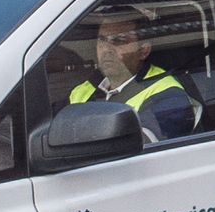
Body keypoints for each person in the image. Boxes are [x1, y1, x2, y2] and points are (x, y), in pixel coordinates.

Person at [66, 10, 197, 142]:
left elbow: (140, 148)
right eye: (102, 40)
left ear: (143, 51)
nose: (106, 49)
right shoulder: (84, 89)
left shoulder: (168, 94)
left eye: (118, 40)